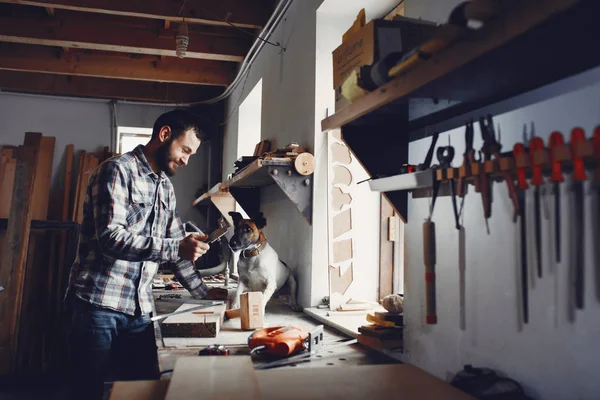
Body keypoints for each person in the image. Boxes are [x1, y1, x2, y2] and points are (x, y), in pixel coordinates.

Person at [65, 109, 228, 400]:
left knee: (140, 391)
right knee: (86, 391)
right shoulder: (116, 171)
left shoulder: (165, 186)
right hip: (98, 305)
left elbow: (178, 246)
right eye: (185, 150)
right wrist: (176, 246)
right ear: (165, 135)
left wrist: (205, 294)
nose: (186, 160)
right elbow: (110, 239)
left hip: (140, 309)